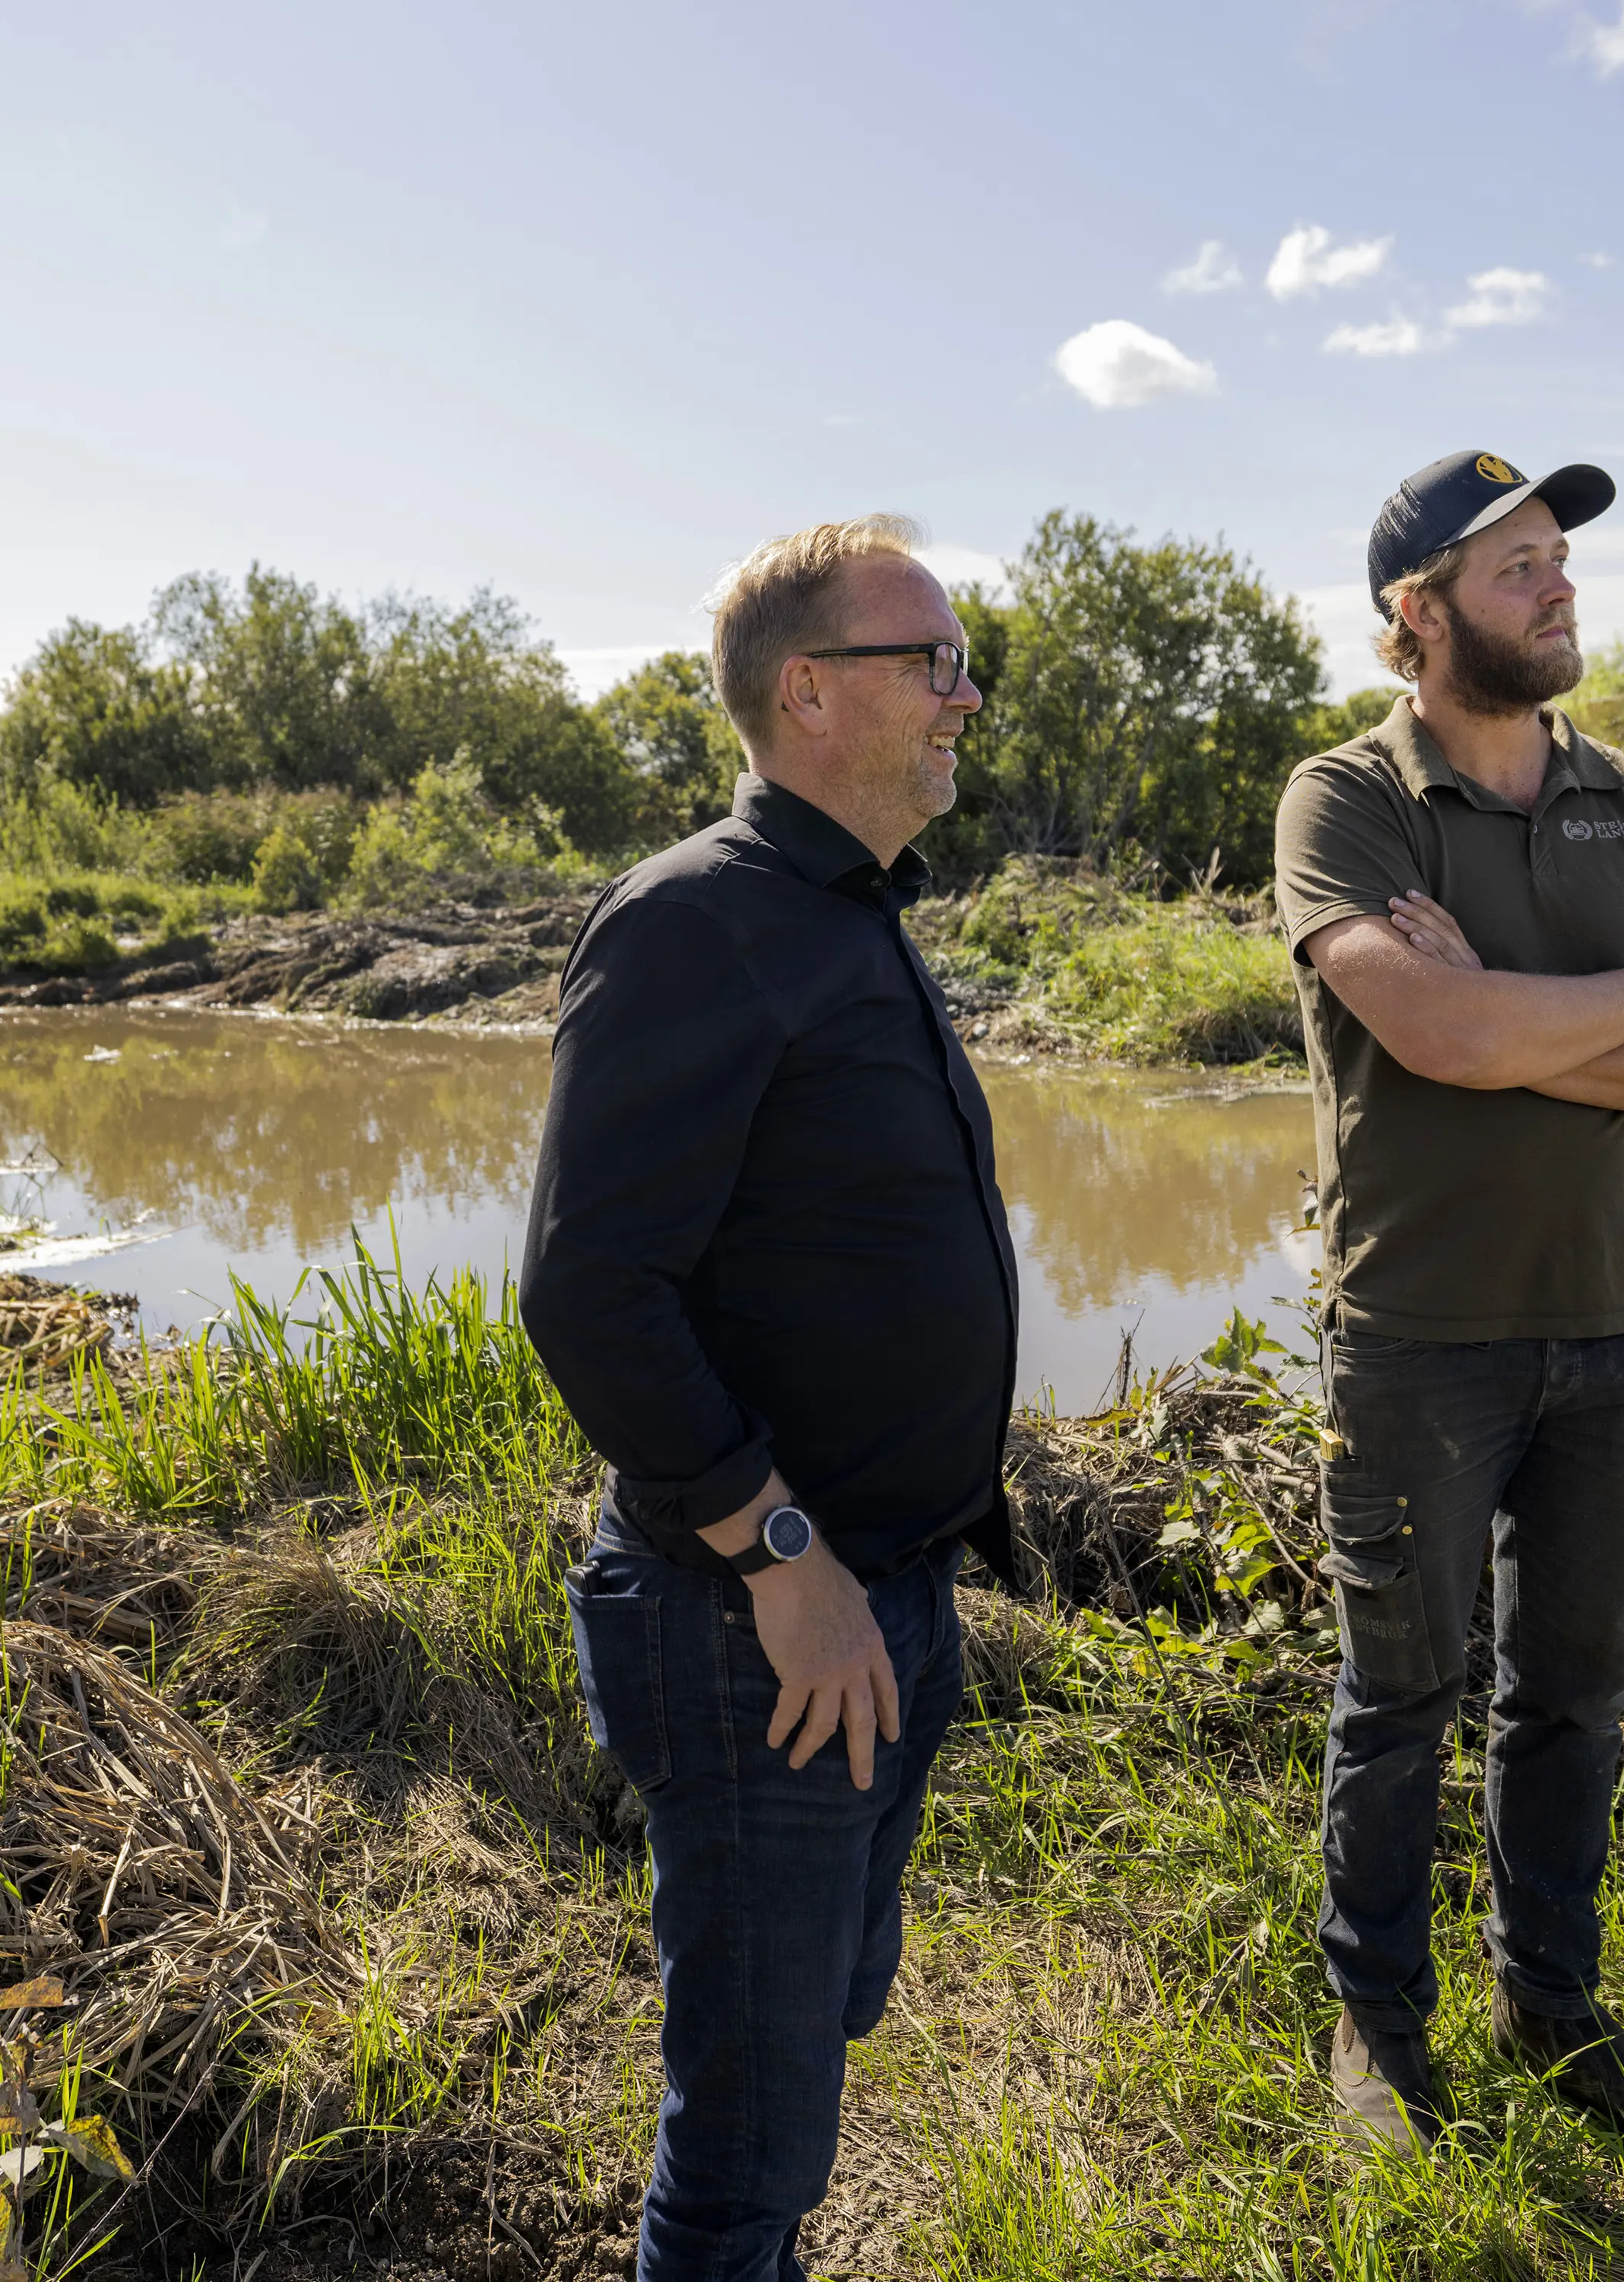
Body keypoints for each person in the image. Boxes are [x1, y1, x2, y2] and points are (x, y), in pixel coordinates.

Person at [518, 513, 1016, 2280]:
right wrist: (781, 1553)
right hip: (757, 1618)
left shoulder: (851, 913)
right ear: (807, 693)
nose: (969, 695)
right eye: (934, 661)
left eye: (969, 660)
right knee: (744, 2133)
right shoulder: (698, 923)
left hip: (882, 1588)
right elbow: (589, 1289)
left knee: (817, 2025)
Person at [1271, 449, 1624, 2159]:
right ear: (1416, 618)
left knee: (1575, 1696)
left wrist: (1529, 1010)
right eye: (1514, 570)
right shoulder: (1348, 801)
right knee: (1395, 1697)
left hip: (1617, 1332)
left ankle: (1553, 2013)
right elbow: (1446, 1042)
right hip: (1416, 1335)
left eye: (1560, 558)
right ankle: (1378, 2033)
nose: (1558, 588)